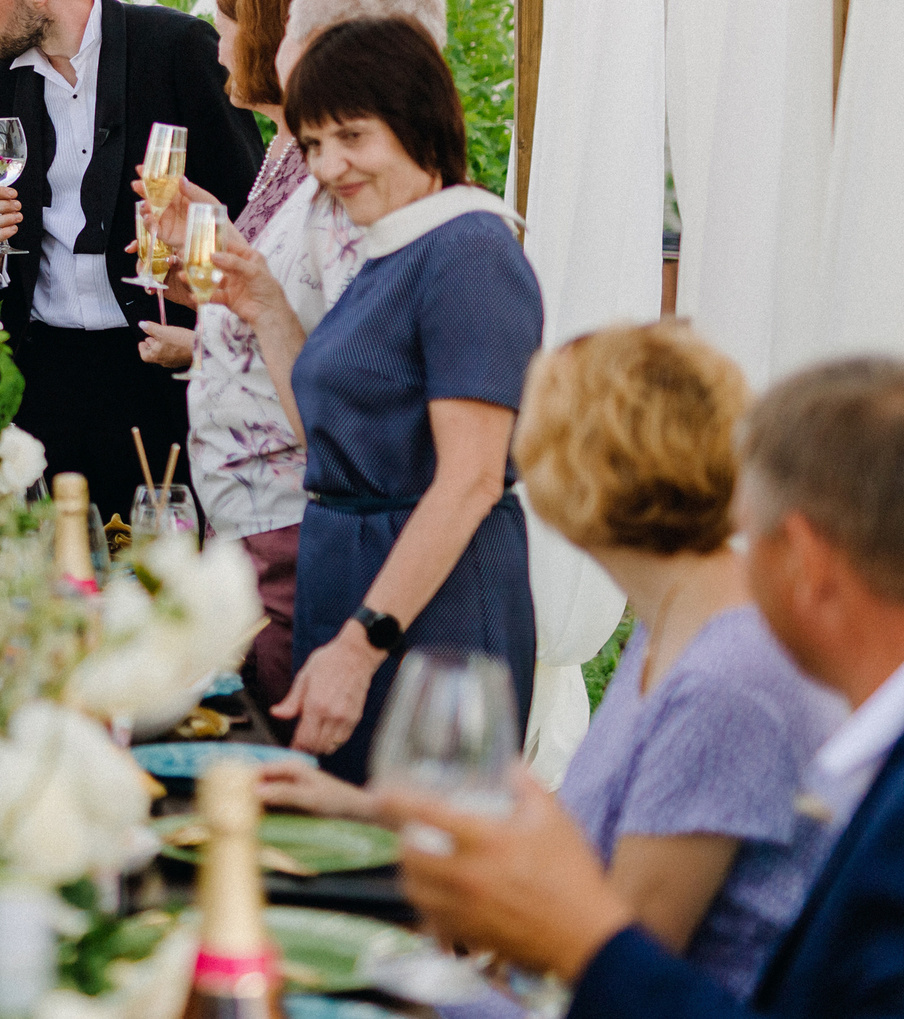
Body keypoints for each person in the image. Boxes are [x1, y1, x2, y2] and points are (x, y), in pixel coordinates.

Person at [263, 324, 841, 999]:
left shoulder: (728, 676)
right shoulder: (681, 620)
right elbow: (582, 850)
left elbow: (615, 966)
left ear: (570, 474)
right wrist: (361, 810)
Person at [393, 357, 904, 1019]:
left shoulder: (738, 677)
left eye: (753, 534)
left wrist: (581, 930)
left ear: (804, 560)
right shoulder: (867, 757)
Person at [213, 16, 539, 780]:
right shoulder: (392, 246)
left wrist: (362, 642)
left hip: (436, 610)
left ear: (418, 117)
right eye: (314, 144)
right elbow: (327, 439)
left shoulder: (469, 249)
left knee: (413, 864)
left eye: (351, 136)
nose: (329, 165)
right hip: (352, 581)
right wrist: (263, 303)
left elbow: (470, 480)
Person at [0, 0, 263, 518]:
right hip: (40, 380)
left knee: (162, 574)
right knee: (46, 576)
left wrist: (201, 331)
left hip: (158, 366)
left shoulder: (175, 49)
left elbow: (246, 206)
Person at [134, 0, 321, 705]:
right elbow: (260, 300)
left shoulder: (328, 165)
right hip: (242, 504)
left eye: (228, 31)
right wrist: (197, 330)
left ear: (275, 38)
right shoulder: (282, 148)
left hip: (288, 503)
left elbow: (308, 316)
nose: (216, 52)